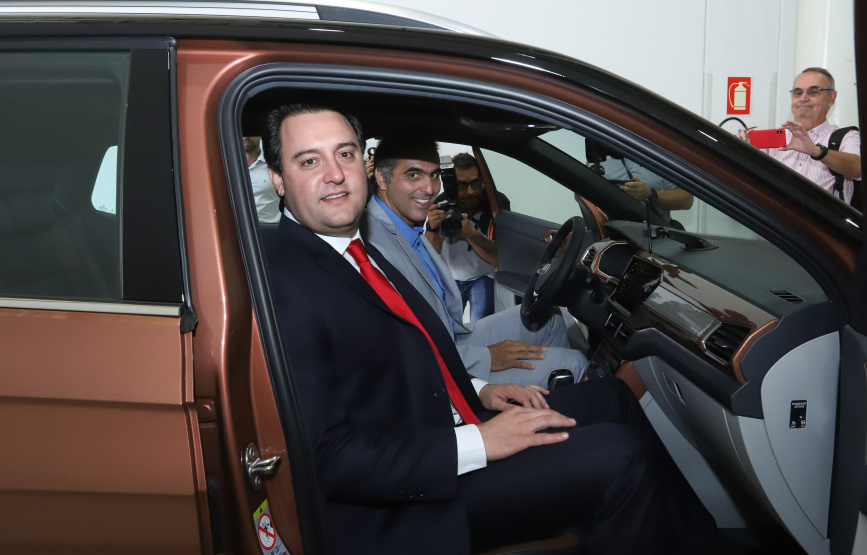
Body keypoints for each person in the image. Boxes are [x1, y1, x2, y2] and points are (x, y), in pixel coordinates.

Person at [262, 103, 717, 555]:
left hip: (445, 427)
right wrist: (478, 441)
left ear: (363, 165)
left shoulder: (357, 250)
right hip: (412, 500)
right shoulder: (286, 284)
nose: (335, 174)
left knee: (612, 398)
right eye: (309, 160)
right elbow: (328, 459)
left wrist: (478, 389)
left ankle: (697, 542)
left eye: (344, 154)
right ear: (278, 179)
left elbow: (411, 353)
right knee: (620, 458)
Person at [362, 137, 589, 388]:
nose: (429, 188)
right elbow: (412, 348)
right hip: (441, 362)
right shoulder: (375, 243)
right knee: (575, 362)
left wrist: (470, 232)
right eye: (414, 175)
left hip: (453, 333)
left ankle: (546, 399)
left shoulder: (403, 222)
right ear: (382, 179)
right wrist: (488, 356)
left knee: (552, 317)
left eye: (434, 175)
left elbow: (495, 257)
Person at [741, 67, 861, 204]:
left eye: (813, 92)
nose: (803, 98)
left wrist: (817, 151)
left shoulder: (846, 137)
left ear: (831, 98)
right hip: (771, 222)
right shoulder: (773, 140)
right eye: (798, 93)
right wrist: (741, 149)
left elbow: (858, 168)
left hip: (817, 224)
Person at [426, 152, 507, 321]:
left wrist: (470, 233)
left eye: (475, 183)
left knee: (482, 327)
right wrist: (431, 228)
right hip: (451, 276)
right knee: (445, 326)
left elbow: (498, 258)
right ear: (452, 185)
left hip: (483, 275)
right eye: (462, 185)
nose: (471, 192)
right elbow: (432, 255)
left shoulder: (495, 203)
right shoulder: (441, 205)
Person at [597, 155, 694, 222]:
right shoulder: (598, 155)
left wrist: (649, 194)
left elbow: (687, 199)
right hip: (609, 232)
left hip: (654, 234)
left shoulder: (660, 154)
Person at [244, 136, 281, 223]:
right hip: (238, 228)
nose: (246, 137)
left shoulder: (274, 161)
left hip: (270, 226)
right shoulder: (227, 163)